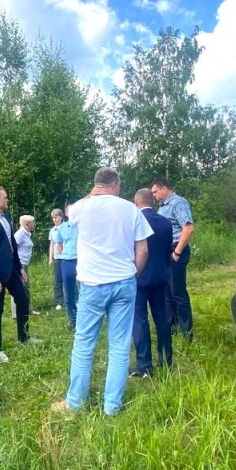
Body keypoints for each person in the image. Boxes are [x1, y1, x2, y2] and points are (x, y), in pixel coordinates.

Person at [52, 168, 152, 417]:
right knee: (119, 346)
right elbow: (143, 251)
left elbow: (75, 210)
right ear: (116, 184)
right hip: (124, 282)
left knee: (84, 343)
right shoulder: (131, 209)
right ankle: (111, 407)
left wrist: (92, 192)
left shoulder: (79, 209)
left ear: (95, 185)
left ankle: (74, 403)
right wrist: (133, 274)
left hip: (92, 285)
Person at [0, 186, 35, 363]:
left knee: (23, 301)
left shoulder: (6, 218)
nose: (7, 200)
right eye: (5, 197)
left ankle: (24, 338)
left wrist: (20, 269)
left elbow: (12, 247)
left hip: (12, 271)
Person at [131, 188, 173, 378]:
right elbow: (167, 251)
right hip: (160, 276)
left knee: (139, 320)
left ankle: (145, 366)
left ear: (136, 202)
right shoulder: (165, 222)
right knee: (162, 319)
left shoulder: (134, 220)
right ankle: (166, 361)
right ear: (151, 201)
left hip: (139, 277)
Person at [152, 177, 195, 341]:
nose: (154, 195)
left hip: (176, 251)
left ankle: (187, 332)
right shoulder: (162, 207)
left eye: (155, 191)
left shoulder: (178, 203)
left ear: (164, 188)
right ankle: (171, 327)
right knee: (167, 293)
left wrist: (176, 253)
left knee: (178, 292)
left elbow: (188, 228)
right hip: (165, 253)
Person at [54, 201, 79, 331]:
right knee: (69, 290)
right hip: (67, 262)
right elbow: (59, 245)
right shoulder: (61, 228)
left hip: (82, 261)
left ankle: (85, 317)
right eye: (70, 211)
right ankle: (73, 319)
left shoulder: (83, 226)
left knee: (83, 290)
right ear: (67, 213)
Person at [10, 215, 40, 318]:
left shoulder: (27, 234)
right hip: (19, 265)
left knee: (26, 287)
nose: (34, 224)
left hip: (25, 264)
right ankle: (16, 313)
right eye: (32, 222)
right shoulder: (20, 234)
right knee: (17, 287)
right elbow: (12, 248)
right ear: (27, 224)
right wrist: (17, 265)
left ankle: (28, 309)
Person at [48, 208, 65, 310]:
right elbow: (52, 245)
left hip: (67, 257)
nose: (55, 220)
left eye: (56, 217)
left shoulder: (67, 227)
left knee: (70, 279)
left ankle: (74, 299)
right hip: (57, 258)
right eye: (53, 218)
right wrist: (50, 258)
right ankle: (59, 301)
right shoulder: (52, 230)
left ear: (61, 217)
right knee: (58, 280)